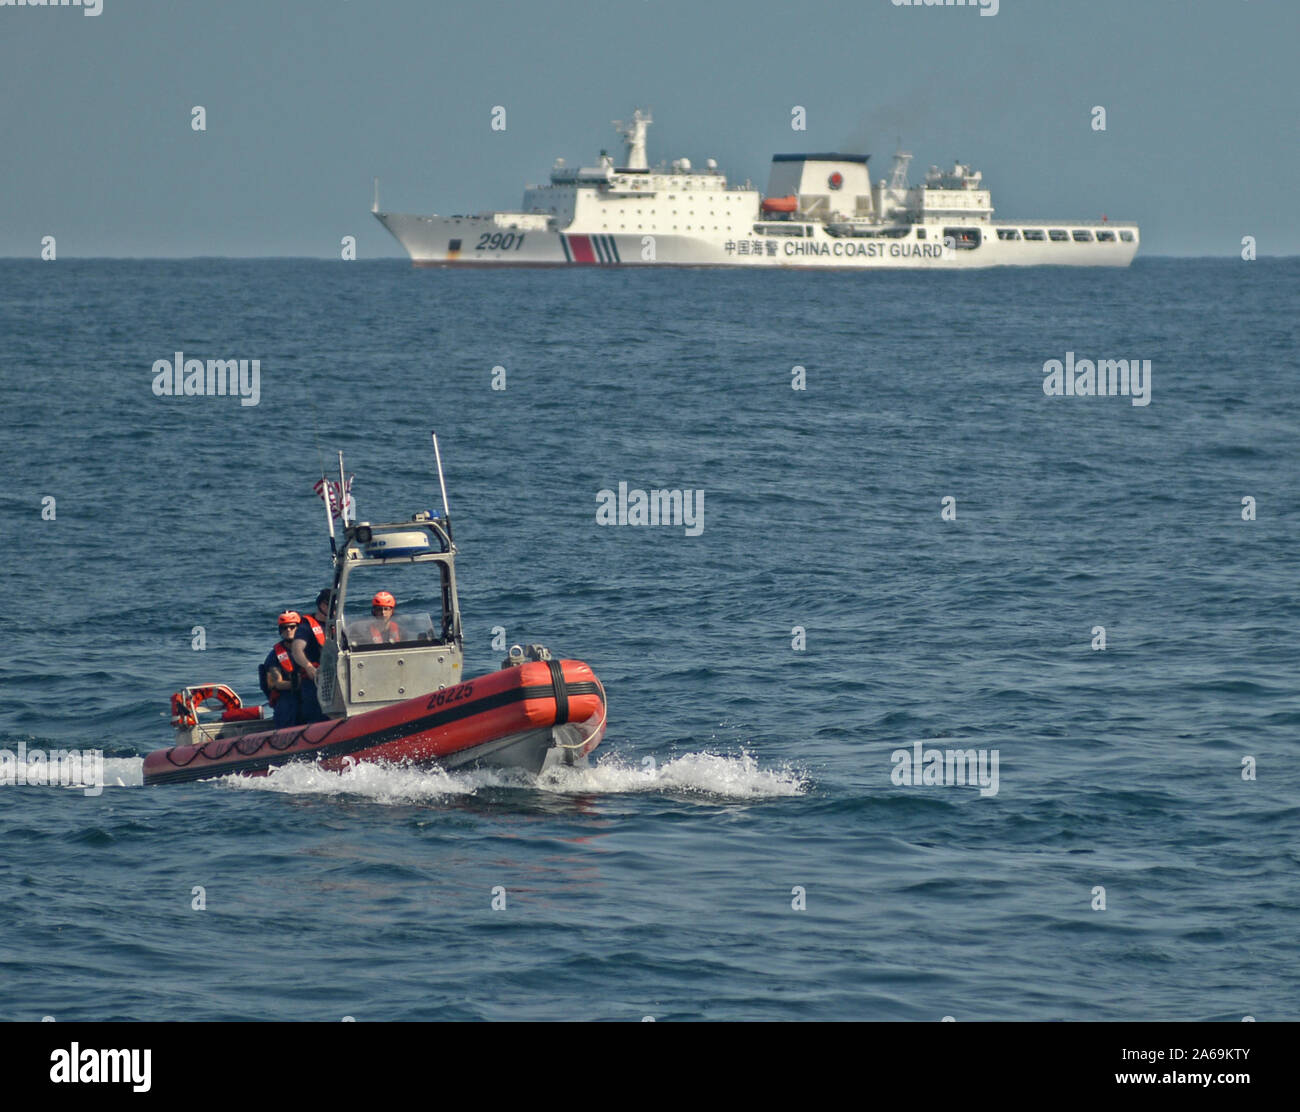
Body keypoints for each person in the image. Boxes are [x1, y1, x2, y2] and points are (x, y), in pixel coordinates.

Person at [290, 589, 331, 721]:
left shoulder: (337, 625)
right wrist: (308, 666)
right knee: (315, 713)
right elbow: (297, 649)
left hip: (335, 678)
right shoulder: (306, 627)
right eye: (327, 603)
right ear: (320, 605)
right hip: (314, 680)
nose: (331, 607)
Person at [262, 611, 303, 729]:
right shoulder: (274, 655)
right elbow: (276, 683)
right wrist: (298, 684)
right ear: (280, 630)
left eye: (292, 627)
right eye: (284, 628)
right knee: (289, 706)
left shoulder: (310, 649)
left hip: (309, 691)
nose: (288, 630)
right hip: (288, 696)